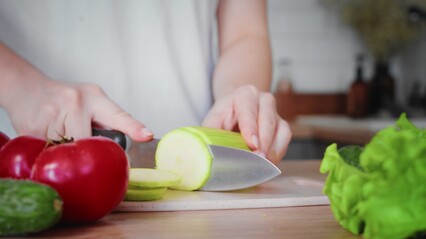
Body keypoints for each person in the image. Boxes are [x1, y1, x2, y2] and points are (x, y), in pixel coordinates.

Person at [0, 0, 291, 164]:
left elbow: (245, 33)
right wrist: (21, 88)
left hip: (194, 179)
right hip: (23, 157)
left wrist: (237, 93)